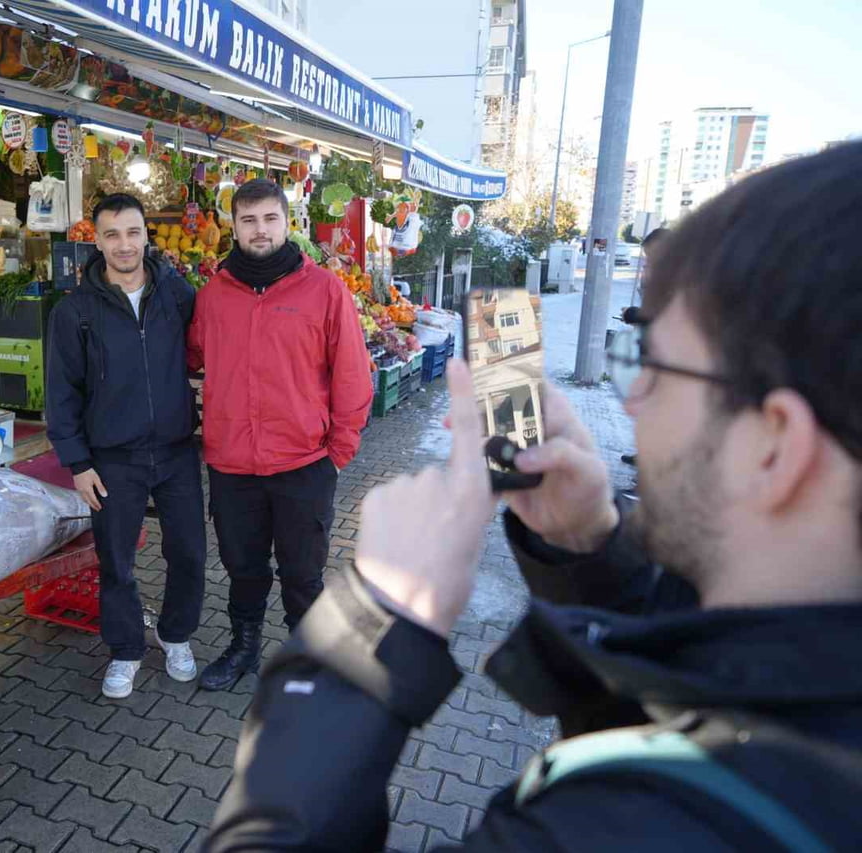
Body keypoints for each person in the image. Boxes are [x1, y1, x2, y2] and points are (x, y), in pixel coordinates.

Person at [206, 143, 862, 849]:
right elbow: (702, 697)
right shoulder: (801, 721)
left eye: (657, 365)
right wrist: (588, 555)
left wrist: (372, 620)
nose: (630, 403)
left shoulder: (625, 824)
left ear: (776, 443)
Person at [187, 178, 373, 692]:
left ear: (288, 222)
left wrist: (338, 453)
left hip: (303, 463)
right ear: (234, 226)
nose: (259, 230)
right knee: (243, 567)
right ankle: (244, 648)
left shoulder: (325, 291)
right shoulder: (213, 297)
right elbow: (192, 359)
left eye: (269, 218)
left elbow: (353, 375)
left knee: (302, 574)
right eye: (248, 220)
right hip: (232, 465)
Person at [46, 193, 206, 700]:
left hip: (178, 449)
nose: (124, 244)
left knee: (190, 553)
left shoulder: (176, 295)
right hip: (114, 457)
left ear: (146, 237)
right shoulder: (76, 311)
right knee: (116, 561)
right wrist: (77, 462)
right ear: (97, 240)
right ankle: (125, 650)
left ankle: (175, 635)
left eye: (132, 232)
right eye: (112, 234)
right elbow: (62, 391)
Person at [620, 226, 668, 467]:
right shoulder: (660, 273)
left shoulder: (675, 277)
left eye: (650, 255)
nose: (647, 260)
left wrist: (633, 314)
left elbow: (664, 315)